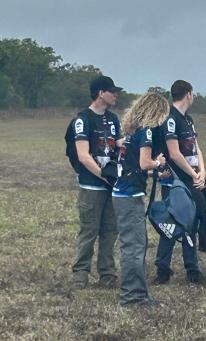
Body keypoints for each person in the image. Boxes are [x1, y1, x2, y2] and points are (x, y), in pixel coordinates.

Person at [112, 91, 168, 306]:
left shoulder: (131, 131)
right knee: (134, 247)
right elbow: (145, 163)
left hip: (124, 192)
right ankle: (132, 297)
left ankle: (139, 294)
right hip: (129, 196)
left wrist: (154, 171)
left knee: (136, 245)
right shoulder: (146, 132)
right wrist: (157, 162)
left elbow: (134, 164)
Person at [71, 75, 123, 289]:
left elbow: (119, 144)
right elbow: (83, 156)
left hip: (111, 186)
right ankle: (80, 274)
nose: (116, 95)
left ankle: (107, 273)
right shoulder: (83, 119)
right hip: (92, 186)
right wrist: (104, 174)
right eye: (112, 91)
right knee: (89, 230)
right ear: (101, 93)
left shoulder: (113, 119)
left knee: (110, 230)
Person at [154, 80, 206, 285]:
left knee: (191, 222)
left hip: (193, 178)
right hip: (175, 181)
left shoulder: (189, 119)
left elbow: (196, 148)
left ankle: (192, 268)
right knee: (172, 221)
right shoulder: (170, 119)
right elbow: (175, 154)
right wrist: (193, 176)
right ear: (188, 94)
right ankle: (163, 268)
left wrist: (202, 170)